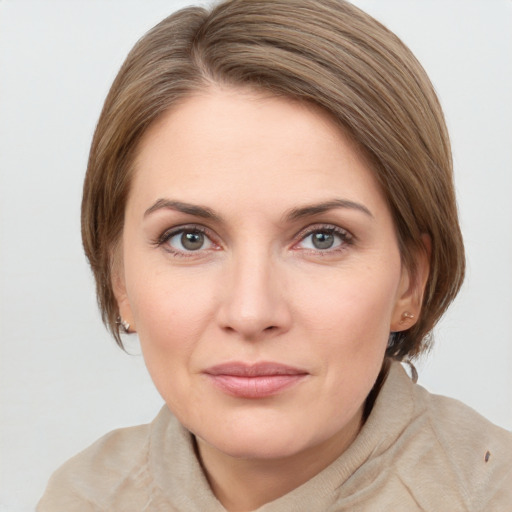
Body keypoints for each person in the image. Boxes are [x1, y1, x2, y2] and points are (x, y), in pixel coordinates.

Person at [37, 0, 512, 510]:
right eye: (189, 238)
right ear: (119, 281)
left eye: (323, 238)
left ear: (410, 282)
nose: (251, 312)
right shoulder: (82, 496)